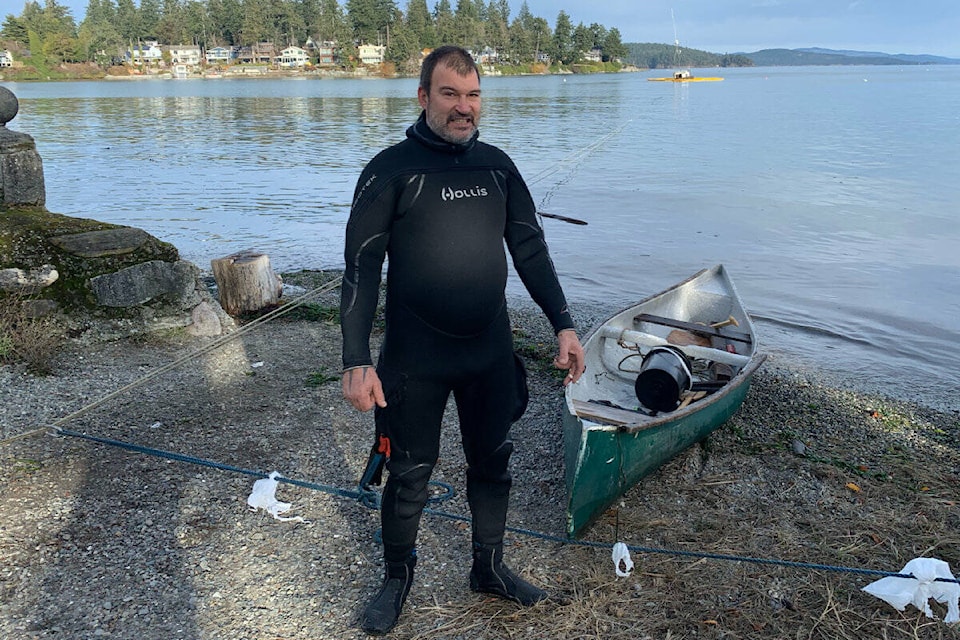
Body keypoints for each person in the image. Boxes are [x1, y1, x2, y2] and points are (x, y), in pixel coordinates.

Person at [340, 45, 585, 636]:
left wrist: (564, 322)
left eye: (472, 95)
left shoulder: (498, 167)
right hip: (415, 354)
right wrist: (356, 359)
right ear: (423, 97)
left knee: (493, 461)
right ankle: (397, 578)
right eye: (449, 94)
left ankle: (490, 567)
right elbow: (361, 268)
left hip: (488, 350)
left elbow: (529, 248)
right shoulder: (390, 169)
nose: (463, 107)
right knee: (409, 473)